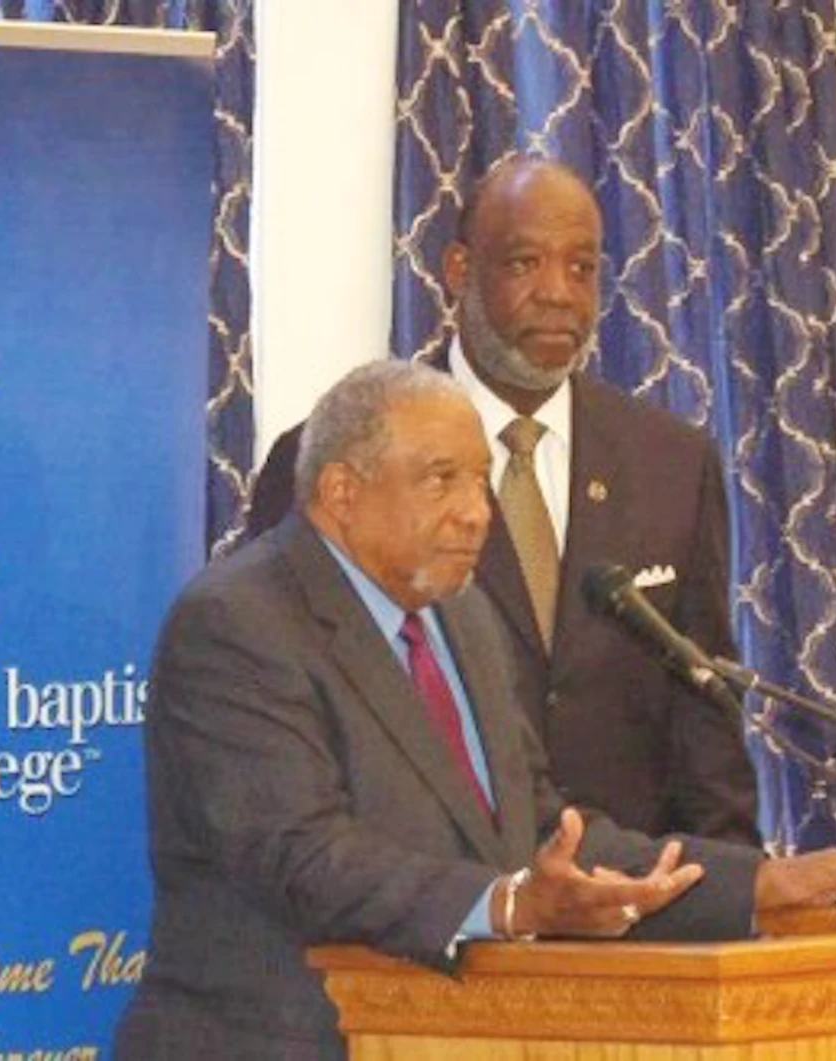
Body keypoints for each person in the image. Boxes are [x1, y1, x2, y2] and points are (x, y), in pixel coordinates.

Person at [116, 361, 836, 1059]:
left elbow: (540, 830)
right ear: (343, 492)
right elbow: (303, 855)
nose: (477, 512)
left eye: (481, 481)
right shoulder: (239, 621)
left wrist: (754, 884)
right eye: (441, 479)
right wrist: (510, 903)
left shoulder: (465, 617)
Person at [246, 156, 759, 847]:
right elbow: (290, 704)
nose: (558, 294)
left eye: (582, 268)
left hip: (634, 893)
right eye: (524, 263)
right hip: (421, 894)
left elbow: (706, 720)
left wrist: (738, 883)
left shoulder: (672, 462)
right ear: (460, 271)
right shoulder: (340, 459)